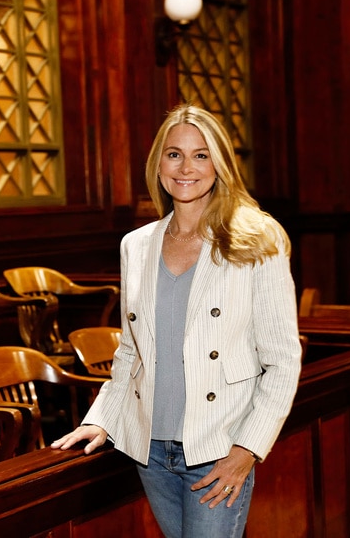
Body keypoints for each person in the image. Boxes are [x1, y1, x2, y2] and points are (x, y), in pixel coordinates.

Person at [51, 103, 302, 537]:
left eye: (201, 155)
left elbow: (282, 360)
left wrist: (247, 450)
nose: (186, 167)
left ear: (219, 162)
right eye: (174, 154)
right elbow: (131, 350)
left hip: (218, 448)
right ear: (159, 163)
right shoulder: (138, 244)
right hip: (151, 450)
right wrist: (102, 418)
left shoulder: (258, 238)